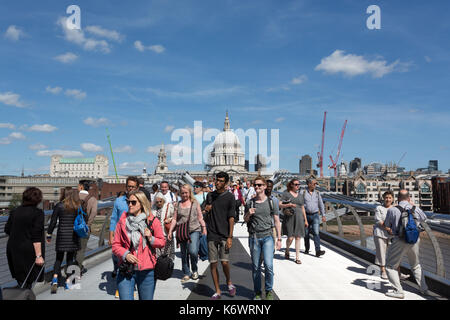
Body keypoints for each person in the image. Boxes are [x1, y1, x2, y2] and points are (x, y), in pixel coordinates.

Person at [112, 191, 166, 300]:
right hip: (126, 269)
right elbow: (115, 245)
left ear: (141, 203)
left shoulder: (152, 221)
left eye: (133, 202)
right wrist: (125, 254)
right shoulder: (122, 222)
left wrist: (151, 238)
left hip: (147, 271)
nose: (130, 205)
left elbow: (162, 242)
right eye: (128, 202)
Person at [383, 189, 430, 299]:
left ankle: (398, 291)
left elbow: (387, 225)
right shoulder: (415, 208)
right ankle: (424, 289)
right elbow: (425, 219)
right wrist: (413, 206)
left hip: (399, 240)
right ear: (409, 198)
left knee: (390, 266)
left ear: (398, 199)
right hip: (414, 240)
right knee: (416, 265)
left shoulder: (392, 210)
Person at [244, 177, 282, 300]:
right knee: (255, 266)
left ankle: (269, 290)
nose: (257, 187)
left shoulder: (272, 202)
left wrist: (279, 239)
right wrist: (249, 213)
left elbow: (277, 220)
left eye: (260, 185)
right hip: (254, 237)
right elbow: (245, 220)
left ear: (265, 186)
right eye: (255, 185)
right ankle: (258, 292)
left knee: (268, 265)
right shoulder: (250, 202)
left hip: (268, 237)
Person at [204, 171, 236, 300]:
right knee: (213, 263)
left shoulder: (230, 197)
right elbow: (205, 214)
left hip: (224, 234)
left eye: (221, 181)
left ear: (226, 183)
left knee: (224, 262)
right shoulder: (210, 196)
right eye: (217, 180)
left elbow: (231, 218)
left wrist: (230, 237)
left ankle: (228, 282)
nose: (217, 182)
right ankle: (217, 290)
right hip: (212, 233)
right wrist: (205, 210)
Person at [5, 187, 45, 289]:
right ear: (38, 199)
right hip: (29, 250)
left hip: (13, 248)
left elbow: (7, 229)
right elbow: (36, 236)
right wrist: (38, 256)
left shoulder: (14, 211)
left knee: (21, 279)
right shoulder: (38, 213)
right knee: (29, 280)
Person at [168, 184, 207, 282]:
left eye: (186, 193)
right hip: (182, 231)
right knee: (184, 252)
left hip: (194, 230)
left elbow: (200, 217)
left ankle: (194, 269)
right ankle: (186, 272)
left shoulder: (195, 203)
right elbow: (174, 219)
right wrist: (170, 231)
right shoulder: (178, 204)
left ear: (190, 193)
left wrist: (204, 227)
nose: (184, 195)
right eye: (182, 193)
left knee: (193, 251)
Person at [47, 189, 81, 293]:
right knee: (70, 259)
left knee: (59, 258)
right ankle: (67, 282)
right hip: (73, 235)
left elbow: (53, 221)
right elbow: (83, 218)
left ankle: (55, 278)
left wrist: (49, 234)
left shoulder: (59, 206)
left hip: (61, 235)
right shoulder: (76, 206)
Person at [109, 176, 138, 298]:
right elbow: (114, 219)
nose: (130, 188)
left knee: (134, 262)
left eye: (133, 186)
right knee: (118, 261)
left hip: (135, 235)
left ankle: (132, 285)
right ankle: (120, 286)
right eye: (128, 186)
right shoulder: (119, 201)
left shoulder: (139, 200)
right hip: (121, 236)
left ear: (136, 188)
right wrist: (111, 235)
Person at [279, 179, 308, 264]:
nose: (297, 186)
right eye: (296, 184)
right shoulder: (286, 194)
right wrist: (289, 205)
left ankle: (297, 257)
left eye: (298, 184)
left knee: (298, 237)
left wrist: (305, 220)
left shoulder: (301, 195)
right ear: (291, 185)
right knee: (290, 237)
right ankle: (287, 249)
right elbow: (279, 204)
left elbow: (302, 208)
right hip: (289, 217)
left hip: (299, 217)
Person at [76, 179, 98, 275]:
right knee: (81, 250)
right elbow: (94, 213)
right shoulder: (93, 199)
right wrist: (88, 225)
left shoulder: (74, 197)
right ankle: (77, 270)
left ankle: (71, 269)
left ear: (81, 186)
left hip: (73, 227)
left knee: (72, 249)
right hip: (84, 228)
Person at [373, 190, 395, 279]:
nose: (388, 199)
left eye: (390, 198)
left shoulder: (395, 208)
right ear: (383, 198)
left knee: (393, 253)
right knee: (381, 253)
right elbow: (378, 221)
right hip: (380, 233)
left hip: (392, 235)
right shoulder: (379, 208)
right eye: (386, 197)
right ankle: (383, 271)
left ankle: (395, 271)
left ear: (393, 199)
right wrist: (388, 229)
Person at [302, 178, 326, 257]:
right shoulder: (303, 193)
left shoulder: (317, 193)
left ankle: (318, 250)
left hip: (315, 215)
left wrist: (323, 215)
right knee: (306, 234)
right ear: (309, 184)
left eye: (316, 184)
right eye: (314, 184)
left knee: (316, 232)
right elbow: (300, 205)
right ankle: (307, 249)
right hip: (306, 215)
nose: (315, 185)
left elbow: (321, 204)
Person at [152, 192, 175, 261]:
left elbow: (175, 217)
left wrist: (169, 219)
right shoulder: (153, 208)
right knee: (157, 255)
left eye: (160, 201)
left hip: (165, 233)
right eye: (157, 202)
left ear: (163, 200)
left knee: (166, 253)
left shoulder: (168, 206)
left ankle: (167, 268)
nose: (159, 203)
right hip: (156, 234)